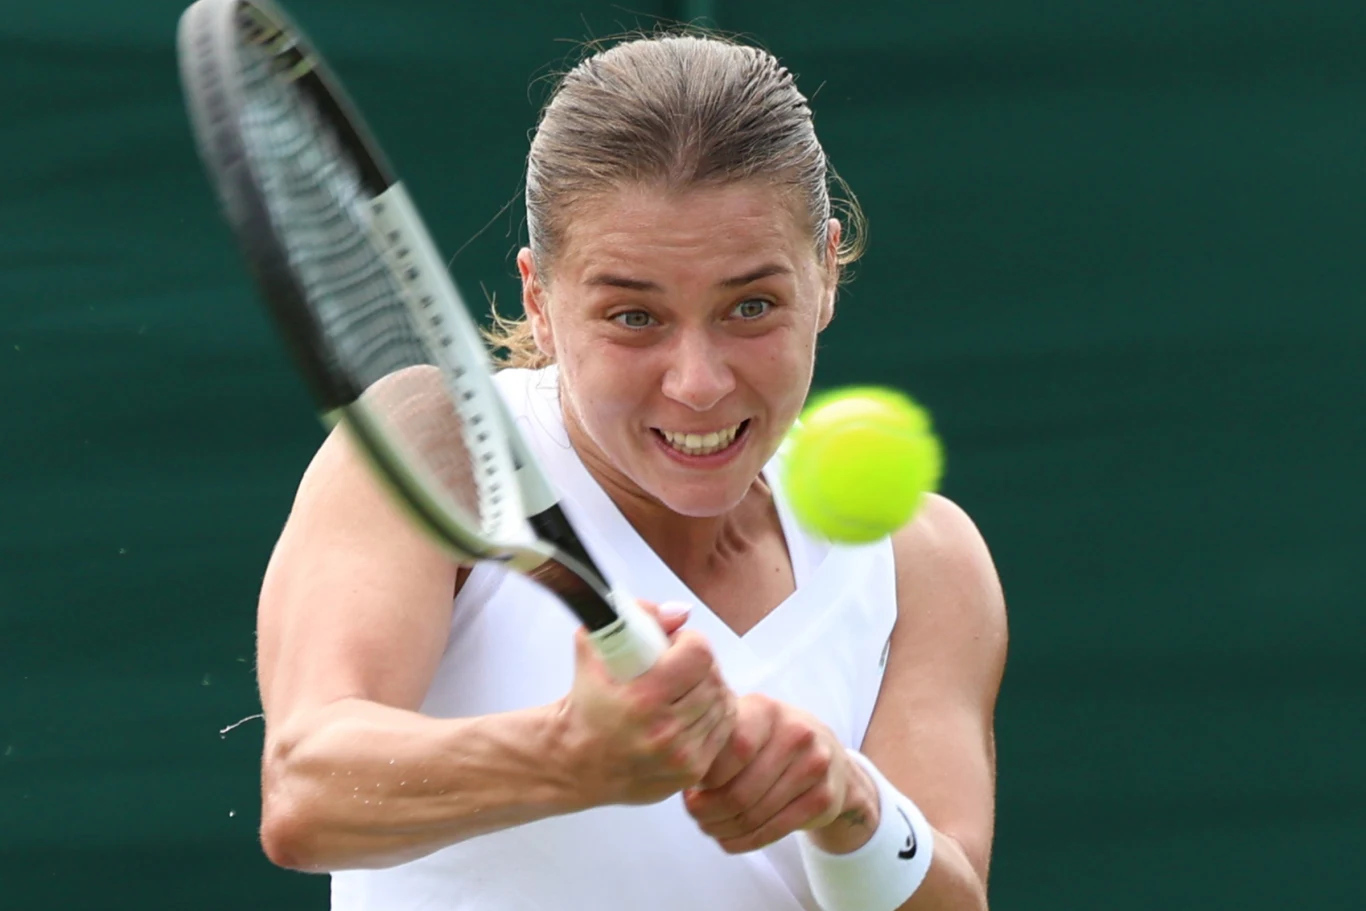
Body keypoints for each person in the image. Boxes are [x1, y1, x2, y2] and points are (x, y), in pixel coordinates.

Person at [253, 31, 1008, 911]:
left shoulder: (923, 557)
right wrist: (569, 754)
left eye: (751, 305)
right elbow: (305, 792)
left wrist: (852, 807)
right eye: (634, 317)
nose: (698, 382)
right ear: (539, 298)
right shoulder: (439, 447)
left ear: (826, 272)